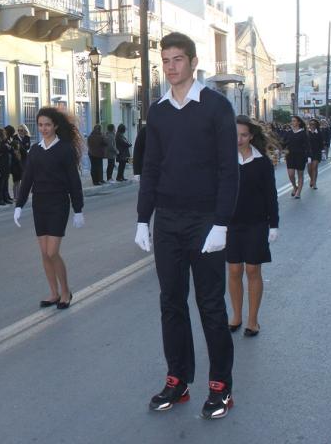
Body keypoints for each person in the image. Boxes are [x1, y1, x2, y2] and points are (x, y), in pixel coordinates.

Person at [135, 32, 238, 420]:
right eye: (165, 60)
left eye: (178, 59)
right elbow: (151, 168)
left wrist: (222, 223)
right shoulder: (159, 111)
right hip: (167, 220)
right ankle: (177, 380)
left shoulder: (216, 106)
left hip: (205, 220)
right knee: (171, 302)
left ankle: (221, 386)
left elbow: (229, 170)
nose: (171, 66)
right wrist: (143, 218)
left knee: (210, 305)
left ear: (193, 62)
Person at [14, 106, 85, 310]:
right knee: (44, 253)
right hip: (40, 204)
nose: (43, 129)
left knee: (53, 252)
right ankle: (54, 293)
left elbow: (73, 180)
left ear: (55, 126)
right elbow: (27, 178)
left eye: (47, 125)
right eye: (40, 125)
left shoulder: (65, 149)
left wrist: (78, 209)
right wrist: (19, 205)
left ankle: (66, 292)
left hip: (58, 204)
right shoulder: (35, 150)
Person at [226, 116, 279, 338]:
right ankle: (236, 316)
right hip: (230, 224)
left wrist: (274, 224)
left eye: (244, 135)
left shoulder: (262, 162)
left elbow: (270, 195)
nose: (239, 139)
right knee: (234, 270)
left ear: (251, 136)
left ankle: (252, 320)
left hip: (257, 223)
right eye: (235, 134)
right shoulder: (224, 160)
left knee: (252, 270)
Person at [283, 115, 309, 199]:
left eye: (294, 121)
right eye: (292, 121)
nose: (292, 122)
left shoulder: (303, 133)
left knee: (300, 175)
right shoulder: (289, 133)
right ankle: (295, 186)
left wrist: (309, 157)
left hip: (300, 156)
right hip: (290, 156)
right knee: (291, 174)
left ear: (299, 122)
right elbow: (283, 143)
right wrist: (280, 149)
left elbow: (307, 146)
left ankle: (298, 192)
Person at [0, 128, 13, 205]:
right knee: (0, 183)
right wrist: (6, 147)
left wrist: (9, 146)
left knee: (5, 183)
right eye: (4, 133)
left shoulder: (4, 141)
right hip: (0, 166)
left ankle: (5, 198)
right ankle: (0, 199)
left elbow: (11, 150)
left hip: (6, 165)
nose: (5, 135)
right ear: (0, 134)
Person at [6, 125, 24, 200]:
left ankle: (17, 196)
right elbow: (16, 162)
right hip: (15, 170)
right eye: (18, 145)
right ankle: (16, 196)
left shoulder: (17, 152)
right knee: (16, 183)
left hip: (18, 169)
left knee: (18, 183)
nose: (19, 145)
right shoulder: (14, 153)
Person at [306, 119, 323, 190]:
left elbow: (321, 143)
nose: (312, 125)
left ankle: (314, 183)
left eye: (313, 124)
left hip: (317, 152)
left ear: (316, 125)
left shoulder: (319, 133)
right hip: (308, 153)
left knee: (314, 167)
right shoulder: (306, 132)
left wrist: (323, 151)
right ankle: (311, 179)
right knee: (309, 168)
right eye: (310, 124)